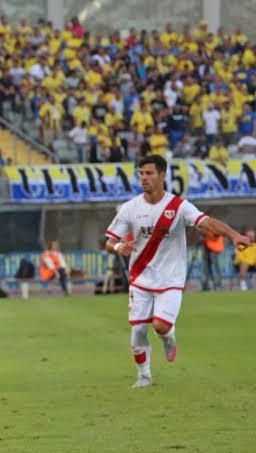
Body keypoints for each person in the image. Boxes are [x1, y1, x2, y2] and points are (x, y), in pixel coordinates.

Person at [105, 155, 250, 388]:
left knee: (160, 326)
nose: (144, 178)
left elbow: (207, 223)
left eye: (149, 173)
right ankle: (144, 376)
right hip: (140, 278)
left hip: (171, 279)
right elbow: (109, 242)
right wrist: (119, 246)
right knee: (139, 329)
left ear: (162, 176)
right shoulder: (129, 208)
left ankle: (168, 336)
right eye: (141, 173)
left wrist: (234, 236)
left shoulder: (178, 206)